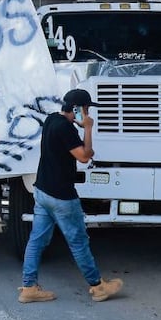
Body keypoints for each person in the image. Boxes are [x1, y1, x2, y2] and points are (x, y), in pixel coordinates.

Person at [19, 88, 124, 303]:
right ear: (77, 109)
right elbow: (85, 157)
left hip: (42, 192)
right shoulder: (66, 129)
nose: (87, 113)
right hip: (62, 197)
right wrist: (87, 129)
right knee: (78, 242)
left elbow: (78, 152)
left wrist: (80, 130)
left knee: (36, 240)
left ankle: (29, 287)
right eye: (86, 109)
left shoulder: (51, 120)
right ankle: (97, 286)